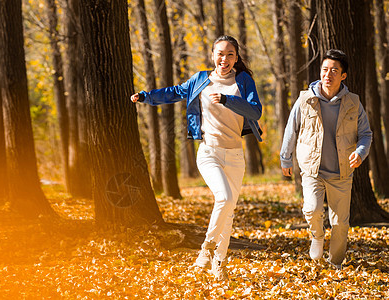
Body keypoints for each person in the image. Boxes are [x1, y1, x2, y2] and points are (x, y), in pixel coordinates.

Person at [131, 35, 262, 281]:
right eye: (220, 53)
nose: (224, 59)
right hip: (209, 151)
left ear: (236, 57)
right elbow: (174, 93)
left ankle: (219, 265)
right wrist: (146, 97)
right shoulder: (201, 80)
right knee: (223, 198)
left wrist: (227, 99)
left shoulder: (243, 80)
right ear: (213, 55)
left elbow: (255, 110)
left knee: (229, 210)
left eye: (230, 54)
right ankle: (206, 249)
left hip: (235, 154)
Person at [280, 49, 372, 269]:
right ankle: (317, 237)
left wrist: (360, 153)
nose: (327, 74)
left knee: (340, 223)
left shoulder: (353, 102)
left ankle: (336, 262)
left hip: (341, 172)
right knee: (311, 209)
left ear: (343, 76)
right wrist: (286, 158)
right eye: (324, 69)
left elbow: (366, 134)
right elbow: (291, 129)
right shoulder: (306, 99)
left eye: (334, 70)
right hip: (313, 169)